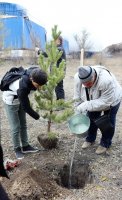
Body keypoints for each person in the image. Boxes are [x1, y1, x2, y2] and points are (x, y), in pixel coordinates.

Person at [74, 65, 122, 154]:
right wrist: (77, 110)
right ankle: (90, 139)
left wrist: (86, 104)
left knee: (108, 122)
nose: (87, 85)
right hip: (92, 100)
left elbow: (106, 102)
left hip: (112, 100)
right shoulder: (78, 78)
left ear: (94, 76)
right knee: (91, 118)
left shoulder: (106, 81)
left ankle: (105, 143)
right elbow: (77, 96)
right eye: (84, 84)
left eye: (89, 83)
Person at [2, 67, 48, 159]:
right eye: (38, 85)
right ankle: (17, 149)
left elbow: (24, 103)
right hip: (10, 102)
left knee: (23, 124)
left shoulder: (35, 72)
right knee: (16, 127)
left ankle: (26, 146)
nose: (39, 87)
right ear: (32, 79)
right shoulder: (22, 87)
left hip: (20, 100)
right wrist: (39, 118)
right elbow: (26, 107)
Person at [38, 36, 66, 100]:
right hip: (56, 72)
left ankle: (61, 103)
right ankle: (58, 100)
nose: (53, 42)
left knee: (59, 87)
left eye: (55, 40)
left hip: (58, 72)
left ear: (59, 41)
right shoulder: (58, 48)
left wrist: (39, 51)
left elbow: (47, 54)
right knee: (56, 87)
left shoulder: (60, 49)